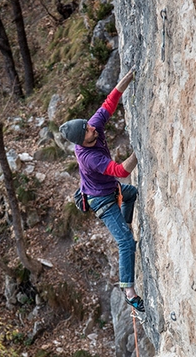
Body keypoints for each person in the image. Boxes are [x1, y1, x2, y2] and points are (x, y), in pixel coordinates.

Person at [59, 67, 145, 316]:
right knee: (126, 242)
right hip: (101, 201)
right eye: (87, 131)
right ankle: (129, 292)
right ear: (81, 140)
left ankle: (125, 222)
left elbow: (109, 103)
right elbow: (121, 171)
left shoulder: (92, 126)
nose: (93, 129)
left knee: (131, 194)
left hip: (112, 190)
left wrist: (125, 80)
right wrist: (140, 149)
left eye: (88, 125)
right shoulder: (89, 157)